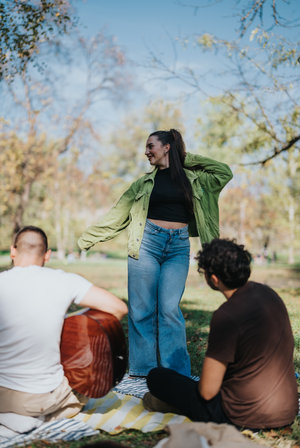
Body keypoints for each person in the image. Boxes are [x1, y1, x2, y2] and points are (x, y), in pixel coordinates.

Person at [78, 129, 233, 377]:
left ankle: (176, 373)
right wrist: (87, 239)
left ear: (167, 147)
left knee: (169, 309)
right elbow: (117, 215)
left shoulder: (195, 179)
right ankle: (143, 372)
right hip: (146, 244)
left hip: (178, 246)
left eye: (151, 146)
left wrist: (185, 158)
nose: (146, 151)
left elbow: (224, 172)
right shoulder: (143, 183)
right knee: (142, 309)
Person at [143, 239, 298, 430]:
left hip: (241, 416)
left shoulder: (227, 315)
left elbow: (208, 392)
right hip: (287, 410)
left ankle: (165, 405)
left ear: (214, 279)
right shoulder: (269, 294)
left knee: (157, 377)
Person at [0, 226, 128, 426]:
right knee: (82, 390)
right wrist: (69, 325)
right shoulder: (64, 280)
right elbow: (118, 308)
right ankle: (42, 415)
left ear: (13, 251)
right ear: (47, 255)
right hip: (40, 397)